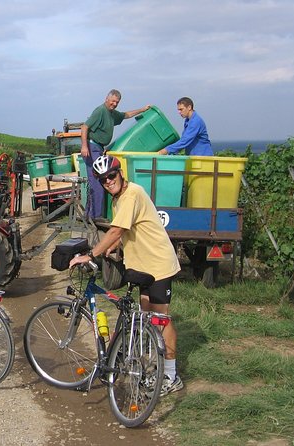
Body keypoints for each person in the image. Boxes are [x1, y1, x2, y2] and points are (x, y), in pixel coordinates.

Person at [69, 155, 183, 396]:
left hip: (159, 263)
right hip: (142, 265)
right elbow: (127, 229)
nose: (108, 181)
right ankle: (154, 366)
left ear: (120, 173)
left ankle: (171, 376)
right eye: (102, 179)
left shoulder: (131, 194)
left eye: (111, 175)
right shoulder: (118, 197)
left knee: (161, 319)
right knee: (146, 318)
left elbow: (117, 229)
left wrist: (90, 255)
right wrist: (114, 246)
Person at [81, 89, 151, 221]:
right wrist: (84, 146)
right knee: (99, 180)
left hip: (99, 148)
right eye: (112, 101)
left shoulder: (112, 113)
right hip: (92, 147)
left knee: (97, 181)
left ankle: (90, 215)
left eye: (117, 102)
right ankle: (95, 216)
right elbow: (85, 127)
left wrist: (142, 109)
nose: (114, 104)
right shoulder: (100, 111)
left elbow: (126, 115)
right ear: (107, 99)